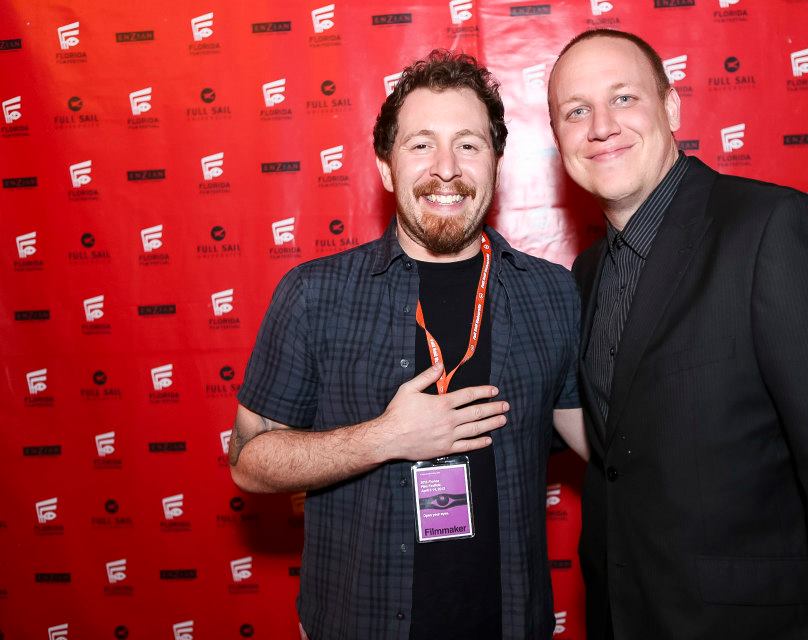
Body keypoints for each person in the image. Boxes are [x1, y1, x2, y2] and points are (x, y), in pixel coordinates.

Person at [547, 29, 808, 639]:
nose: (600, 126)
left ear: (670, 108)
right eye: (575, 111)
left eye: (624, 98)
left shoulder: (778, 233)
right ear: (559, 139)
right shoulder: (586, 275)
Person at [229, 50, 586, 640]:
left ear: (496, 164)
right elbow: (248, 461)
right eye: (421, 144)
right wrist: (386, 439)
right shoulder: (315, 294)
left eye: (469, 145)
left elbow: (607, 447)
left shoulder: (551, 294)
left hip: (508, 622)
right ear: (387, 168)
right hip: (360, 621)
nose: (446, 169)